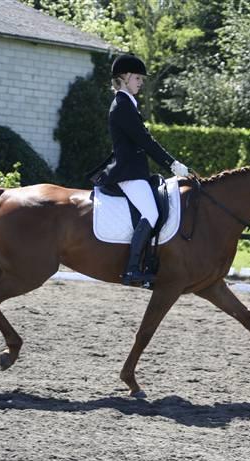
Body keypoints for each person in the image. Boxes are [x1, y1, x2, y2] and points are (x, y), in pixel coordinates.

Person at [96, 53, 189, 286]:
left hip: (134, 171)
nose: (141, 82)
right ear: (125, 77)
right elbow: (145, 141)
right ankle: (132, 269)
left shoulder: (127, 103)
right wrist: (172, 164)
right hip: (128, 173)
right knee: (152, 213)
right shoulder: (122, 105)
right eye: (137, 78)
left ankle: (148, 264)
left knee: (154, 210)